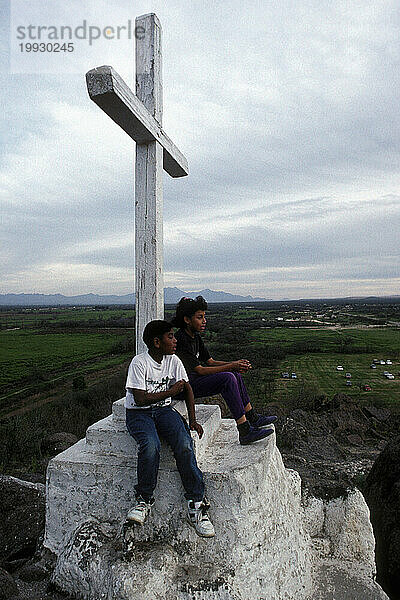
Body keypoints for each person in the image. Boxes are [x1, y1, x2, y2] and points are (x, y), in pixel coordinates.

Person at [125, 319, 215, 538]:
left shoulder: (172, 360)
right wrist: (170, 391)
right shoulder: (140, 363)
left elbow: (187, 389)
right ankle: (144, 499)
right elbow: (140, 398)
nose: (175, 341)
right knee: (150, 445)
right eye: (170, 337)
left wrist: (192, 420)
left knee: (184, 444)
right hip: (139, 413)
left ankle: (196, 503)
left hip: (164, 410)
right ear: (157, 342)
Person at [172, 296, 277, 446]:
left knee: (234, 374)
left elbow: (210, 362)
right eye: (199, 317)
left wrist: (236, 365)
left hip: (193, 380)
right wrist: (232, 366)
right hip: (183, 388)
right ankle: (244, 430)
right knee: (227, 378)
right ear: (187, 320)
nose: (204, 321)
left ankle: (252, 417)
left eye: (204, 317)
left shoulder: (195, 337)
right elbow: (200, 370)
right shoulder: (181, 339)